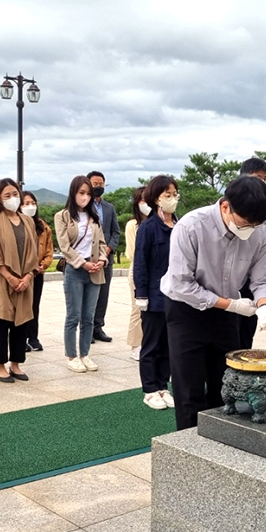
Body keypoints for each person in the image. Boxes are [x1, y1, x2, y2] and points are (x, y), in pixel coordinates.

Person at [160, 176, 266, 431]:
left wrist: (265, 303)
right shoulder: (192, 226)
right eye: (245, 224)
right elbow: (182, 284)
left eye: (255, 225)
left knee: (227, 384)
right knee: (189, 388)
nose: (250, 230)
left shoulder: (260, 230)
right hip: (186, 311)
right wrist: (232, 305)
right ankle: (189, 447)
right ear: (225, 207)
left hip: (226, 312)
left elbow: (263, 276)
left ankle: (221, 445)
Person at [0, 178, 39, 382]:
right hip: (1, 279)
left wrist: (27, 276)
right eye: (7, 195)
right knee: (1, 321)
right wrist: (9, 277)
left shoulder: (27, 220)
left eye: (15, 194)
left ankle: (15, 364)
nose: (12, 199)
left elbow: (34, 251)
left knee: (21, 322)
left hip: (25, 280)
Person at [54, 175, 108, 372]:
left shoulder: (94, 217)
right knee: (73, 316)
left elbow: (102, 243)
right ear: (73, 193)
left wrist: (102, 260)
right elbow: (64, 246)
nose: (85, 197)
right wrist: (83, 264)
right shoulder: (62, 216)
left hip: (95, 272)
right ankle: (71, 356)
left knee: (89, 316)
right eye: (81, 193)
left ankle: (85, 354)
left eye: (88, 193)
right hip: (75, 271)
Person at [134, 176, 179, 410]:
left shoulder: (181, 225)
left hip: (177, 296)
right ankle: (150, 389)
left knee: (169, 345)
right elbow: (140, 263)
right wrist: (141, 295)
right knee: (151, 344)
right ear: (155, 199)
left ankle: (163, 385)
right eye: (167, 195)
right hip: (154, 297)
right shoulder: (148, 228)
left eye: (174, 194)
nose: (172, 199)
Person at [237, 157, 266, 349]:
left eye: (265, 178)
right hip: (230, 281)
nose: (262, 182)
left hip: (256, 278)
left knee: (247, 333)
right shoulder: (232, 205)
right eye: (257, 177)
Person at [87, 170, 120, 343]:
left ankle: (98, 327)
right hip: (88, 258)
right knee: (89, 294)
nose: (98, 187)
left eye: (101, 184)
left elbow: (115, 231)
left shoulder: (109, 208)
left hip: (106, 258)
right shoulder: (83, 206)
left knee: (103, 294)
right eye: (95, 184)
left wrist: (108, 250)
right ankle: (87, 328)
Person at [21, 191, 54, 351]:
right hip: (22, 274)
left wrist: (43, 265)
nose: (30, 206)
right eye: (26, 203)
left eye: (33, 203)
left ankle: (33, 337)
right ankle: (21, 338)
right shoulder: (16, 224)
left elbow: (49, 251)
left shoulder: (43, 226)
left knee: (34, 305)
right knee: (22, 306)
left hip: (38, 273)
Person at [125, 186, 151, 361]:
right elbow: (135, 252)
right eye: (142, 200)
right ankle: (136, 345)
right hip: (138, 270)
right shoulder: (133, 225)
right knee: (137, 309)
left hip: (157, 273)